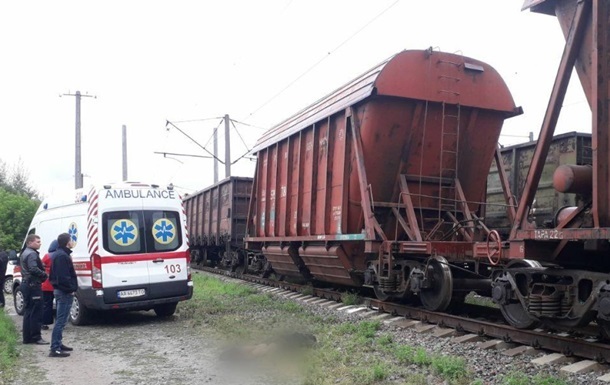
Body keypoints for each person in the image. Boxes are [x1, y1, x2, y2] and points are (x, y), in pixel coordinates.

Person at [49, 233, 77, 358]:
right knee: (61, 321)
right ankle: (55, 348)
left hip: (62, 291)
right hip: (64, 292)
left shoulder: (60, 254)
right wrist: (70, 289)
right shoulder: (61, 256)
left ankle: (58, 343)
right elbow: (62, 277)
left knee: (63, 320)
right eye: (71, 240)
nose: (72, 242)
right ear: (67, 242)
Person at [20, 234, 49, 345]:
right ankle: (36, 337)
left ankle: (27, 338)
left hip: (26, 284)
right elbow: (33, 268)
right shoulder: (32, 254)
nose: (39, 243)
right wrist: (44, 274)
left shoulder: (24, 253)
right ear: (30, 242)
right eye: (37, 241)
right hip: (33, 285)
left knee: (28, 311)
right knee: (36, 311)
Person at [41, 240, 58, 329]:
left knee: (47, 304)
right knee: (60, 304)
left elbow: (41, 267)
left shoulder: (47, 256)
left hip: (46, 284)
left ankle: (45, 323)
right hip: (58, 285)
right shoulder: (63, 255)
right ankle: (59, 323)